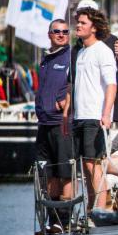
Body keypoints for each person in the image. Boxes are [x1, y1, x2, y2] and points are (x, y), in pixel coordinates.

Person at [67, 6, 118, 212]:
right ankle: (90, 209)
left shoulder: (103, 51)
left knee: (94, 165)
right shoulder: (80, 52)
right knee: (84, 167)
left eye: (83, 23)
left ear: (94, 27)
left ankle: (100, 210)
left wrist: (106, 114)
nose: (78, 26)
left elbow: (111, 85)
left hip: (95, 117)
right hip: (80, 116)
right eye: (77, 22)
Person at [72, 0, 118, 124]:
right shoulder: (77, 47)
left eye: (83, 21)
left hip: (98, 113)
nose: (79, 24)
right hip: (79, 113)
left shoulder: (110, 40)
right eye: (78, 19)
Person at [35, 19, 73, 203]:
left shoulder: (71, 57)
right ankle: (54, 218)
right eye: (57, 31)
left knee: (65, 173)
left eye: (65, 32)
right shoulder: (45, 58)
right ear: (49, 34)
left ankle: (66, 221)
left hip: (61, 124)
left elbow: (79, 84)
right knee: (48, 174)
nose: (61, 35)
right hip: (44, 123)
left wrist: (66, 102)